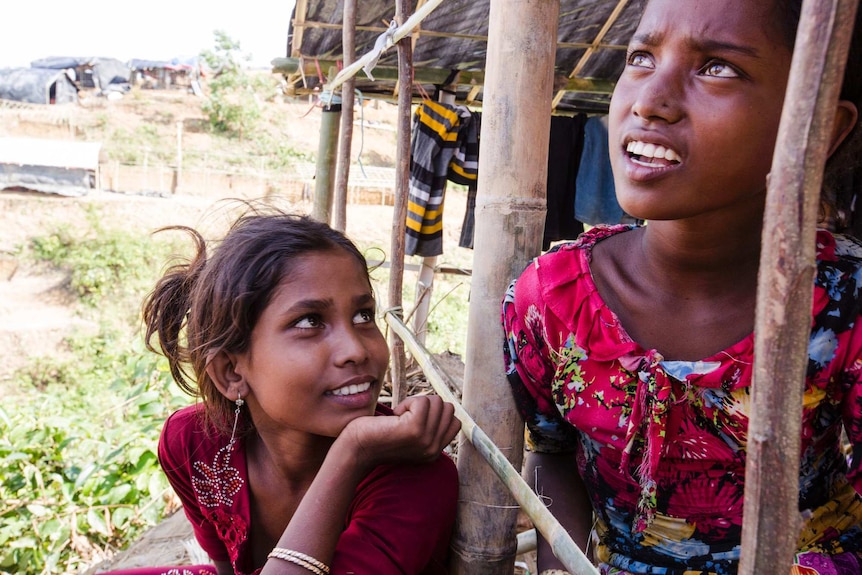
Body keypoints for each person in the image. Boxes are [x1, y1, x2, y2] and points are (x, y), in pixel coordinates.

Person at [502, 0, 862, 574]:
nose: (649, 101)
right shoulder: (551, 300)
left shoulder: (845, 305)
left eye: (717, 67)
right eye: (642, 56)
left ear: (819, 129)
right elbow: (553, 454)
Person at [115, 207, 461, 575]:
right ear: (231, 372)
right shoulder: (195, 442)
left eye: (363, 315)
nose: (356, 350)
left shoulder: (416, 477)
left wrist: (352, 451)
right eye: (310, 321)